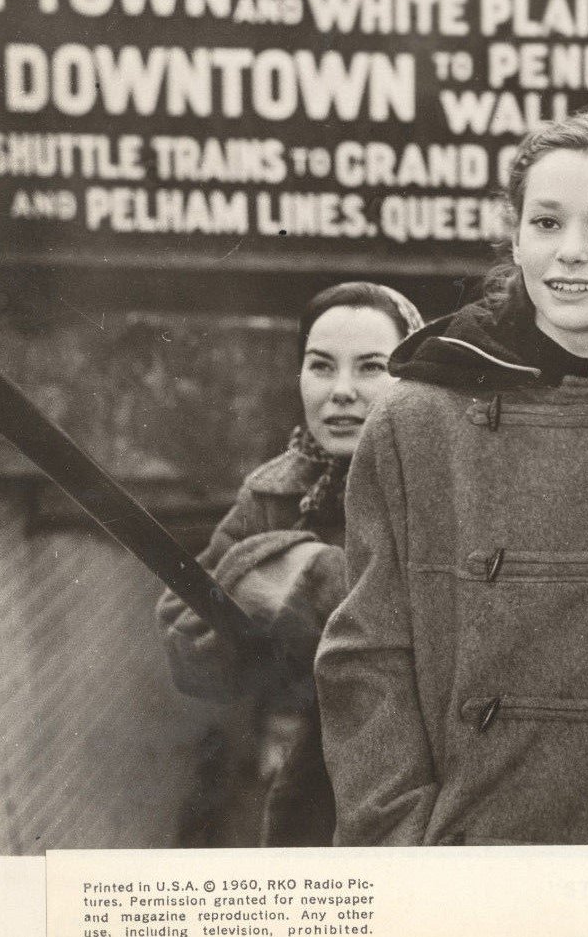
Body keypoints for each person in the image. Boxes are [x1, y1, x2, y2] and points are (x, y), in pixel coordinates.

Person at [317, 109, 588, 846]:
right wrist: (406, 846)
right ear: (514, 234)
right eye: (546, 223)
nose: (571, 254)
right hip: (461, 860)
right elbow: (367, 660)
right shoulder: (417, 419)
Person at [156, 281, 424, 846]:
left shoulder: (451, 480)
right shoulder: (277, 490)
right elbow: (187, 642)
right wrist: (269, 600)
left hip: (438, 769)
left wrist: (306, 578)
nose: (342, 391)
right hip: (322, 776)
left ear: (412, 377)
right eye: (321, 366)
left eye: (371, 367)